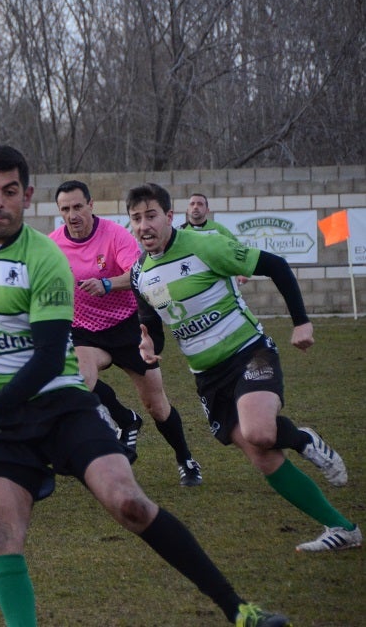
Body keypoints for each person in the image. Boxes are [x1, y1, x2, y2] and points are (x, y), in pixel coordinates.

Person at [0, 146, 290, 626]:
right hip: (2, 422)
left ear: (27, 196)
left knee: (130, 503)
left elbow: (48, 358)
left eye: (10, 191)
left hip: (62, 405)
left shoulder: (45, 257)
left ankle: (239, 610)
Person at [127, 182, 360, 553]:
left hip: (250, 352)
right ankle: (343, 529)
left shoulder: (206, 246)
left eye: (151, 216)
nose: (144, 226)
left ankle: (302, 439)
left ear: (169, 216)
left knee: (259, 432)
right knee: (262, 456)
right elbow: (152, 324)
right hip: (207, 378)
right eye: (136, 218)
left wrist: (301, 322)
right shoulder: (139, 273)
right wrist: (150, 344)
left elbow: (276, 265)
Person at [48, 180, 201, 486]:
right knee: (79, 380)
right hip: (84, 330)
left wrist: (107, 284)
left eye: (78, 207)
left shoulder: (115, 234)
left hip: (128, 327)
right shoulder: (52, 245)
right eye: (65, 209)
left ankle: (185, 458)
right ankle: (124, 419)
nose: (72, 215)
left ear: (91, 205)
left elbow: (139, 274)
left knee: (157, 406)